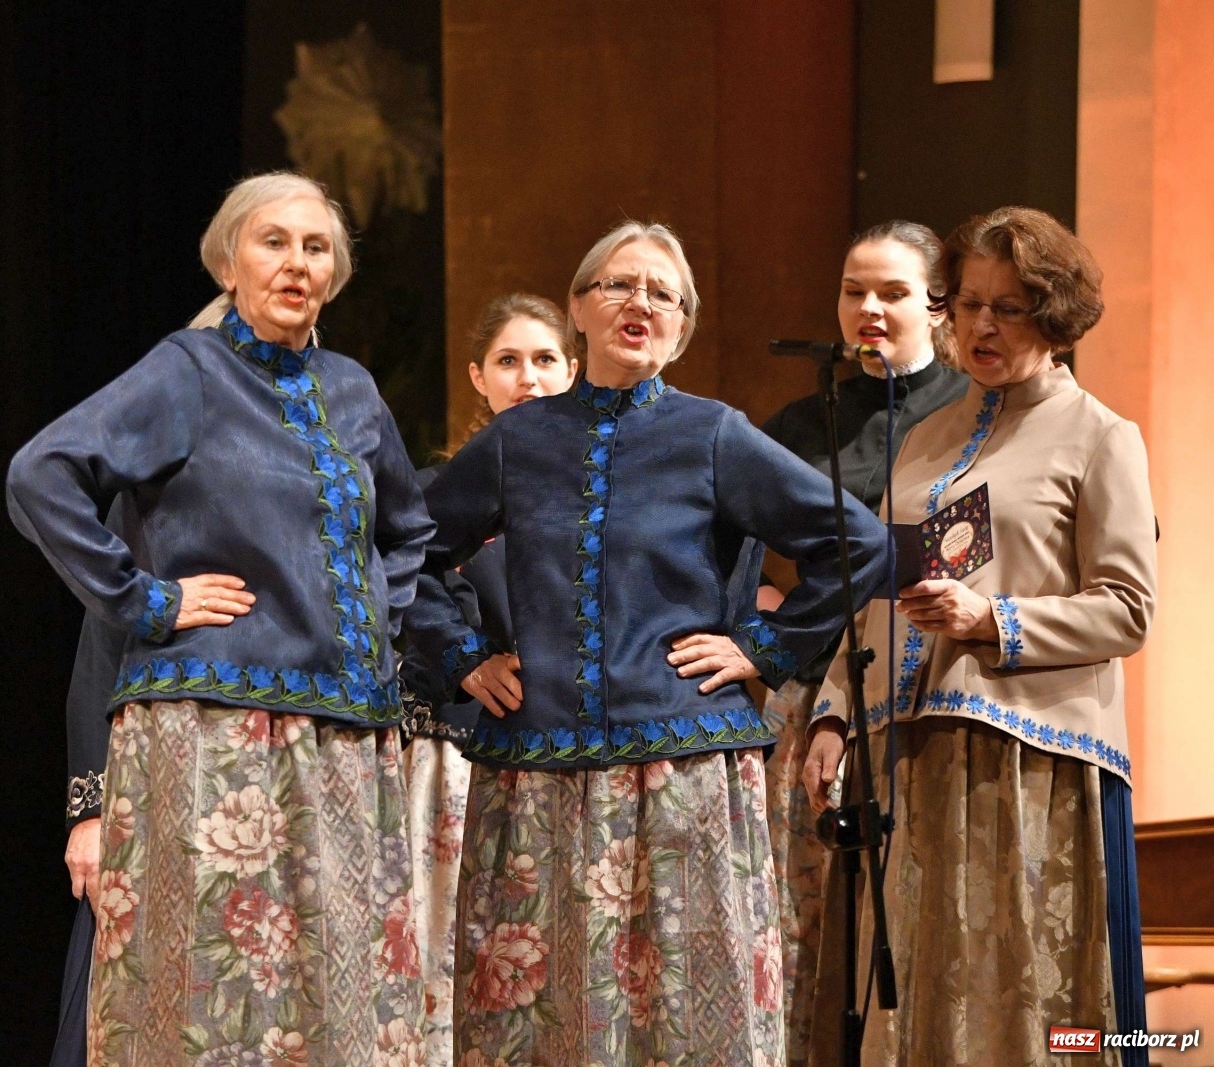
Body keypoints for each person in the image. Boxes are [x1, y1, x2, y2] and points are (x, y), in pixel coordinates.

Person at [404, 220, 889, 1066]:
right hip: (538, 776)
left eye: (664, 294)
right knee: (540, 1023)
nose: (641, 303)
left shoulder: (713, 434)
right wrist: (460, 655)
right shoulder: (519, 441)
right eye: (620, 285)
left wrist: (765, 650)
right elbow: (405, 549)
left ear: (681, 327)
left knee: (684, 1021)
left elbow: (859, 544)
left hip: (682, 776)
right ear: (578, 311)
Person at [7, 171, 435, 1067]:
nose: (296, 263)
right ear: (229, 262)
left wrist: (375, 621)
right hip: (214, 734)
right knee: (215, 996)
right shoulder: (190, 369)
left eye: (316, 248)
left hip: (346, 742)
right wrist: (144, 597)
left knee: (341, 997)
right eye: (273, 242)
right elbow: (42, 473)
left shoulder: (352, 389)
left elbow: (407, 526)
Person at [803, 207, 1155, 1066]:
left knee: (1015, 1005)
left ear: (1057, 315)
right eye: (968, 305)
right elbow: (874, 592)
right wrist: (833, 712)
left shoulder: (1102, 437)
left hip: (1030, 763)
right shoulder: (925, 437)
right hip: (911, 758)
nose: (983, 326)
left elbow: (1127, 607)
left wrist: (992, 620)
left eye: (1011, 307)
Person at [756, 220, 967, 1064]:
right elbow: (717, 537)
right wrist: (761, 610)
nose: (868, 308)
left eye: (892, 292)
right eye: (854, 290)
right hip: (812, 689)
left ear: (937, 305)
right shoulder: (802, 421)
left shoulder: (968, 406)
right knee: (806, 913)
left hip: (931, 684)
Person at [399, 293, 577, 1066]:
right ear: (479, 376)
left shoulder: (591, 489)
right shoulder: (437, 487)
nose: (528, 377)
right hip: (453, 749)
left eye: (544, 360)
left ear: (573, 370)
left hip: (561, 749)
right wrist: (465, 654)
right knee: (444, 946)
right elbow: (401, 575)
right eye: (509, 361)